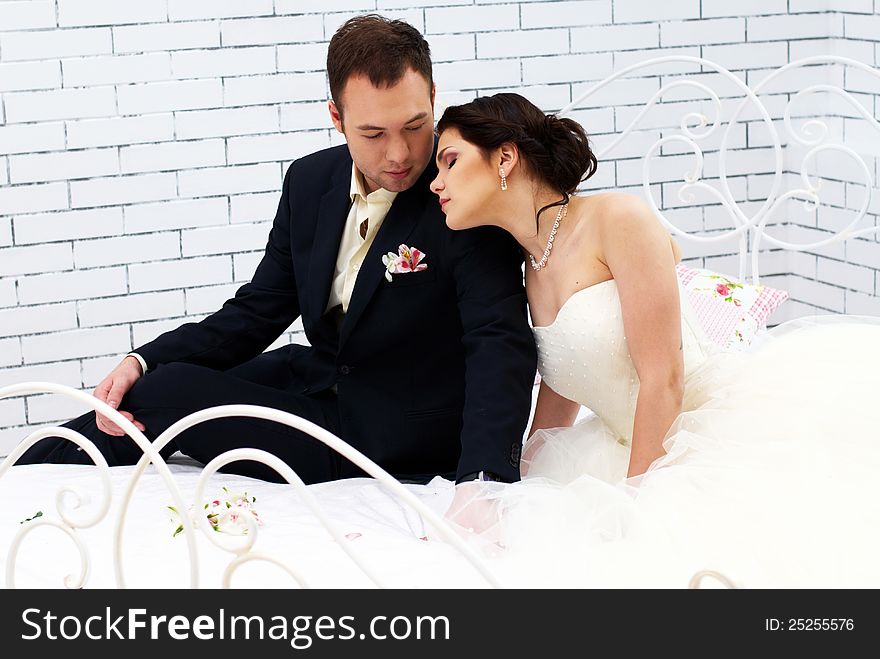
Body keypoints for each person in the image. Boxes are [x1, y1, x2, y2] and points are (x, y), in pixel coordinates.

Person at [18, 16, 537, 491]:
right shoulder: (310, 180)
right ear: (336, 117)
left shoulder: (462, 197)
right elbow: (256, 310)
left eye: (414, 125)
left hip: (396, 433)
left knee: (167, 392)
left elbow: (499, 341)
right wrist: (141, 358)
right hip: (317, 380)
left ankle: (27, 478)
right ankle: (24, 478)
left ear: (433, 97)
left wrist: (484, 482)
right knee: (151, 382)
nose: (399, 154)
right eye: (373, 133)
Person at [430, 92, 880, 587]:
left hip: (695, 430)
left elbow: (663, 376)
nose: (437, 183)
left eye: (450, 161)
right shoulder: (529, 263)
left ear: (506, 157)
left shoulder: (617, 220)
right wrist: (518, 486)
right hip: (619, 442)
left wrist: (635, 506)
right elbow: (564, 387)